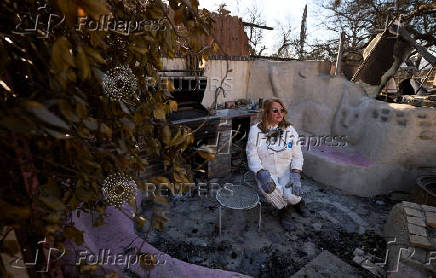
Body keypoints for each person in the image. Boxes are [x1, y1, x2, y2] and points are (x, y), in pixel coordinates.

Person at [246, 98, 309, 230]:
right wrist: (260, 172)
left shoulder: (290, 130)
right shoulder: (256, 130)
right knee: (273, 194)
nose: (280, 114)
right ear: (267, 113)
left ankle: (298, 202)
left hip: (286, 171)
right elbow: (252, 154)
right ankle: (283, 211)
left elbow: (297, 154)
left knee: (292, 196)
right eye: (275, 111)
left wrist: (296, 173)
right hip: (267, 172)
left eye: (282, 110)